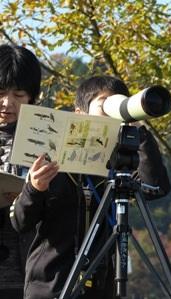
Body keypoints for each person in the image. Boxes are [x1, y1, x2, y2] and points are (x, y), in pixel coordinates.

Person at [10, 75, 171, 299]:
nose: (112, 110)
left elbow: (156, 187)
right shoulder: (51, 162)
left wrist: (138, 130)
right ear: (79, 114)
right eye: (105, 104)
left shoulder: (116, 169)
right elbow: (21, 221)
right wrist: (35, 188)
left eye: (118, 102)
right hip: (50, 288)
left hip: (100, 289)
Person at [0, 43, 41, 299]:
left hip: (30, 273)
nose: (7, 103)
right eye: (1, 92)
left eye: (19, 94)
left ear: (32, 97)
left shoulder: (45, 139)